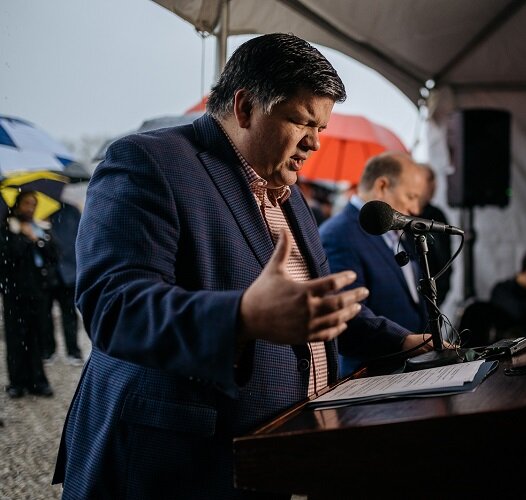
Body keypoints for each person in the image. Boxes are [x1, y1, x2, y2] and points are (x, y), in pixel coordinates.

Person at [52, 33, 433, 499]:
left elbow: (312, 304)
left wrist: (400, 341)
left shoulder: (290, 192)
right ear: (246, 106)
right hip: (177, 464)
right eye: (302, 121)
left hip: (269, 455)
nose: (315, 143)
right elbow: (113, 306)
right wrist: (243, 316)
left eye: (322, 128)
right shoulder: (147, 162)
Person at [319, 151, 432, 376]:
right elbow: (346, 311)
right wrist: (404, 341)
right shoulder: (338, 235)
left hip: (409, 371)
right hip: (371, 376)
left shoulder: (396, 232)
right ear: (382, 186)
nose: (416, 210)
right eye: (411, 196)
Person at [0, 191, 55, 398]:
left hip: (37, 291)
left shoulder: (39, 227)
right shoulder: (8, 227)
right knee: (16, 337)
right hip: (15, 291)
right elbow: (8, 255)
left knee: (36, 336)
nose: (30, 208)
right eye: (27, 203)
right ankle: (17, 381)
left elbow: (54, 254)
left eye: (33, 204)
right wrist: (22, 238)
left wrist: (37, 239)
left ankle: (37, 380)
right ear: (18, 205)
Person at [40, 202, 83, 365]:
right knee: (45, 314)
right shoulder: (39, 212)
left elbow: (80, 236)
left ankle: (73, 351)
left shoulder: (71, 210)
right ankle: (48, 350)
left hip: (68, 271)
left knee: (69, 313)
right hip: (46, 273)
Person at [417, 163, 453, 306]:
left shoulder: (436, 214)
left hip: (433, 294)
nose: (434, 185)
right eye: (429, 179)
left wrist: (441, 292)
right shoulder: (406, 214)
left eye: (434, 180)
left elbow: (445, 258)